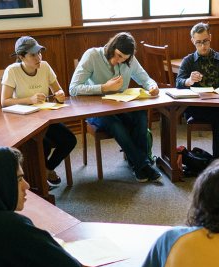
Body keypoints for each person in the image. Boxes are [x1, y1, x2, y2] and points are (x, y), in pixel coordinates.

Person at [69, 32, 162, 182]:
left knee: (140, 114)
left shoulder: (129, 59)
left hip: (121, 106)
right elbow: (73, 89)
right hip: (96, 109)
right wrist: (103, 88)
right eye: (118, 56)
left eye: (123, 59)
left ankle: (138, 164)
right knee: (116, 125)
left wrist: (153, 86)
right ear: (112, 47)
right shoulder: (92, 55)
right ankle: (142, 165)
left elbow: (145, 78)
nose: (118, 61)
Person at [1, 36, 77, 188]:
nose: (38, 58)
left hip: (46, 118)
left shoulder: (45, 66)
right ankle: (39, 182)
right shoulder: (12, 71)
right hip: (23, 121)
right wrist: (30, 99)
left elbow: (58, 91)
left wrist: (60, 95)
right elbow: (4, 102)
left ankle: (46, 170)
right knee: (43, 145)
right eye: (33, 55)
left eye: (39, 53)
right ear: (21, 57)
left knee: (70, 140)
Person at [176, 22, 219, 160]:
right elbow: (178, 83)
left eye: (205, 41)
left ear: (210, 37)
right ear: (193, 41)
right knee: (218, 117)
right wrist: (189, 81)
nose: (203, 46)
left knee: (217, 114)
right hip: (197, 106)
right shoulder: (188, 61)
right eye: (198, 42)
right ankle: (218, 161)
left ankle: (217, 161)